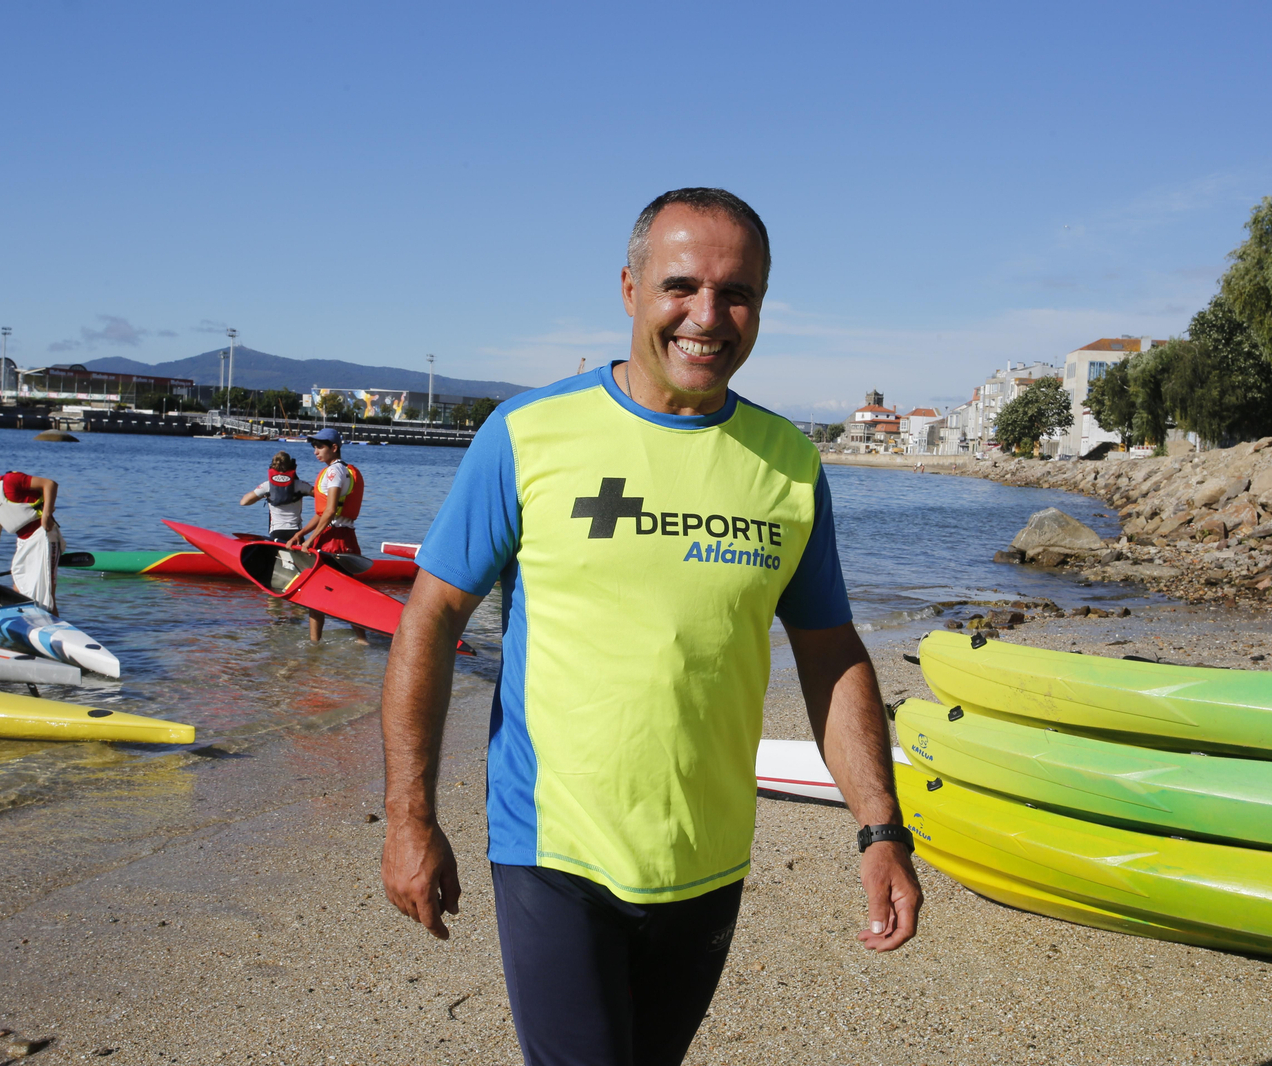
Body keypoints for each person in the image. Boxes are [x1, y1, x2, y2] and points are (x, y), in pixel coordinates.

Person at [380, 188, 921, 1066]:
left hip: (709, 860)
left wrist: (879, 827)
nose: (707, 317)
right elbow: (431, 620)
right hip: (553, 850)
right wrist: (410, 819)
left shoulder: (787, 464)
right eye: (680, 286)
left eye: (736, 293)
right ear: (629, 288)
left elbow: (830, 652)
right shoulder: (529, 434)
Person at [289, 427, 367, 643]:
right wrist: (301, 534)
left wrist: (311, 540)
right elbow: (323, 513)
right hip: (346, 538)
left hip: (333, 541)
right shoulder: (343, 470)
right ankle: (362, 639)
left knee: (315, 593)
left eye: (320, 446)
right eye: (314, 447)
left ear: (334, 448)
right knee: (348, 594)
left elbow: (330, 511)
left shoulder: (334, 472)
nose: (316, 451)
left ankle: (315, 645)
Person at [0, 463, 66, 614]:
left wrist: (47, 514)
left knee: (46, 597)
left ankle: (54, 630)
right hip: (23, 543)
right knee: (18, 589)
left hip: (43, 537)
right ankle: (24, 623)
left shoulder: (11, 480)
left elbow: (49, 484)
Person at [240, 451, 315, 542]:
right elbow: (322, 496)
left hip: (276, 532)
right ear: (292, 466)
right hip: (296, 533)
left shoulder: (267, 486)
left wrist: (264, 495)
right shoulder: (300, 485)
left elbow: (244, 502)